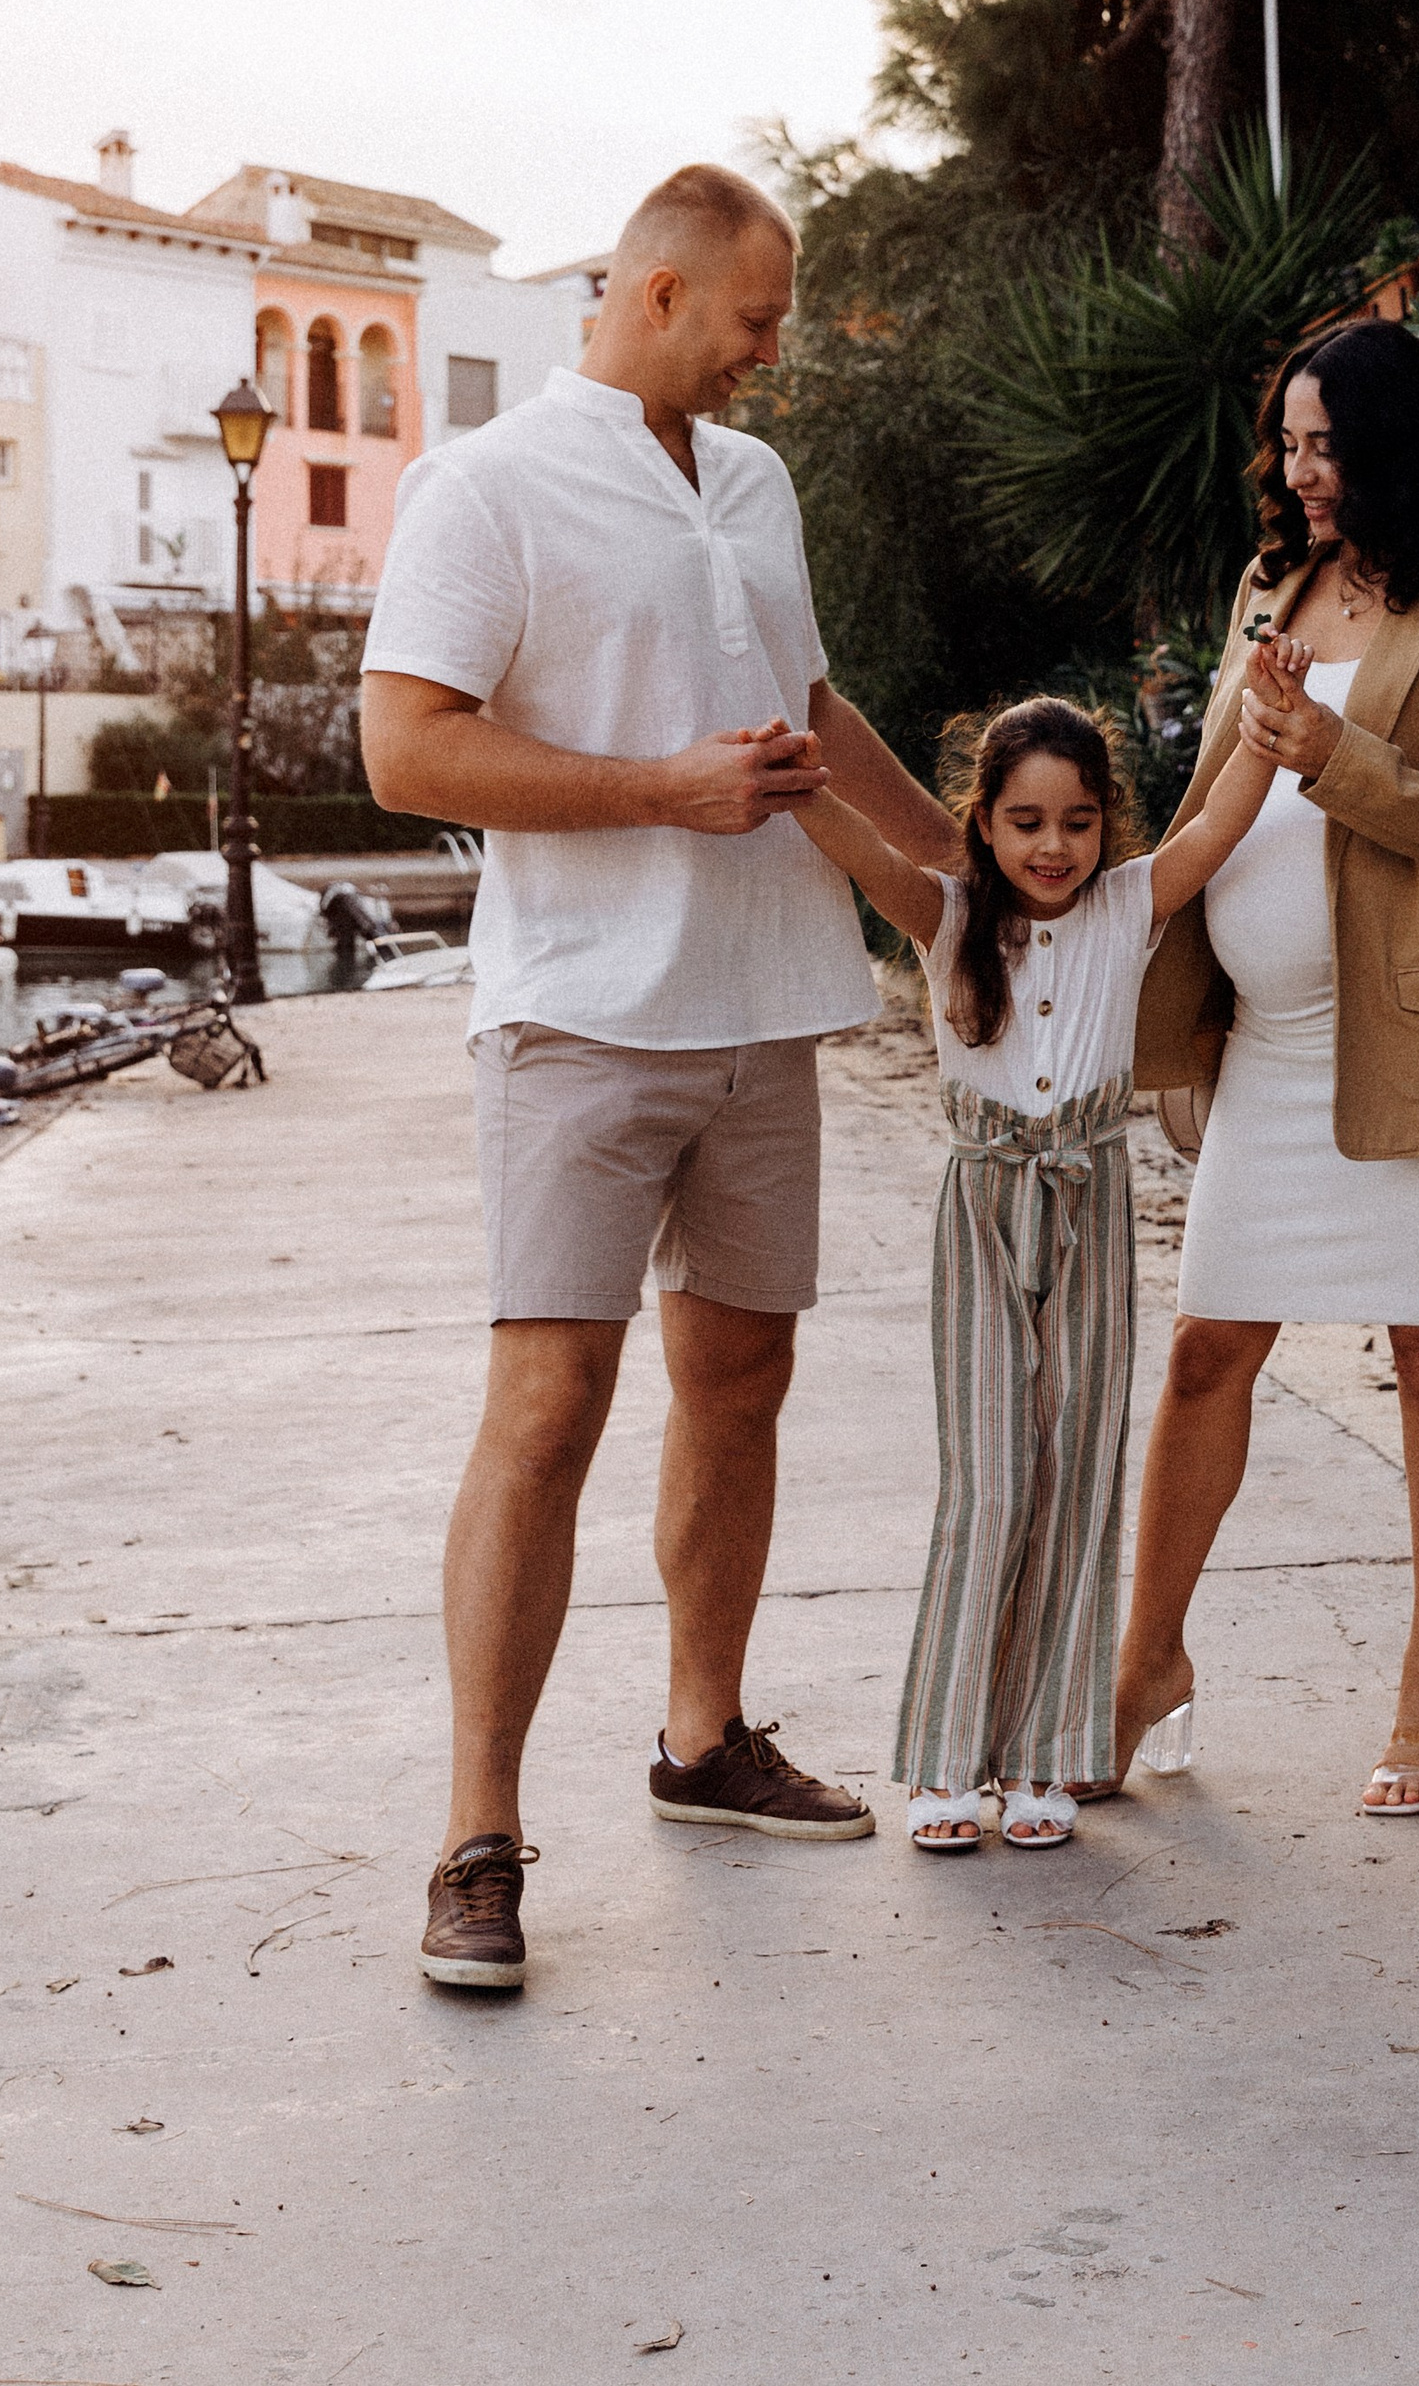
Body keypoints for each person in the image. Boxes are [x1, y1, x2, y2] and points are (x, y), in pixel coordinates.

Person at [359, 162, 962, 1990]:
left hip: (764, 1003)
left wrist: (963, 889)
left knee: (743, 1379)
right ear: (653, 291)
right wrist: (657, 790)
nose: (774, 354)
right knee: (546, 1407)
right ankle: (479, 1834)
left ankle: (704, 1739)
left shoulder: (756, 480)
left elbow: (814, 705)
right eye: (757, 319)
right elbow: (405, 748)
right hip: (578, 1018)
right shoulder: (485, 482)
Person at [1118, 318, 1419, 1818]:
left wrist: (1332, 756)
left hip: (1416, 1036)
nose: (1299, 473)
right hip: (1272, 1041)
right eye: (1289, 443)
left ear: (1391, 447)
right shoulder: (1270, 584)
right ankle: (1147, 1659)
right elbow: (1217, 786)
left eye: (1324, 445)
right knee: (1203, 1351)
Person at [790, 692, 1278, 1848]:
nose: (1052, 847)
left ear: (1106, 824)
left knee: (1074, 1479)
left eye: (1076, 821)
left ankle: (1050, 1756)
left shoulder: (1129, 904)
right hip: (983, 1205)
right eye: (1024, 822)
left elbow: (1217, 829)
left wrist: (1273, 725)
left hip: (1090, 1202)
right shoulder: (946, 912)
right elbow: (858, 844)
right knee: (992, 1480)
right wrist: (796, 773)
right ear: (985, 824)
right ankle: (950, 1761)